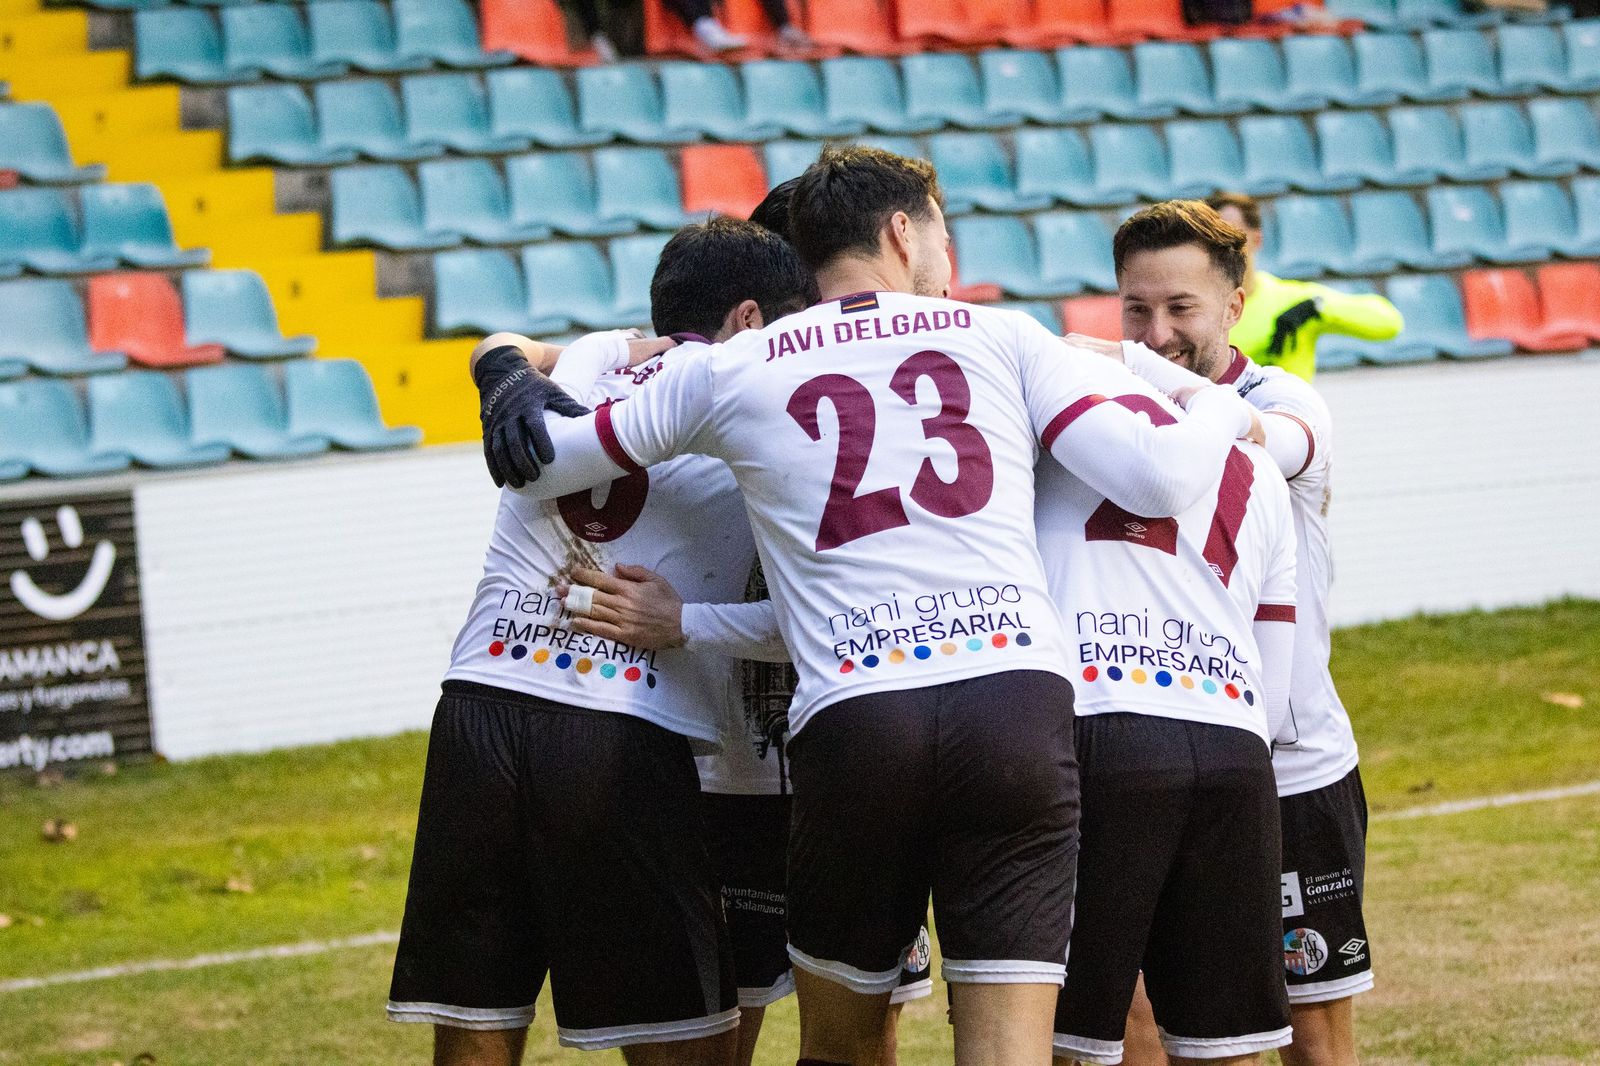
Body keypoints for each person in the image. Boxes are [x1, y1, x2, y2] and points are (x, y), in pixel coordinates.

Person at [472, 145, 1261, 1066]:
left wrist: (507, 367)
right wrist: (1217, 406)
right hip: (1009, 702)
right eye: (942, 225)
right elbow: (1158, 475)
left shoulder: (740, 363)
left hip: (855, 716)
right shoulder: (1002, 337)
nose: (949, 246)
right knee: (1008, 1050)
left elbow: (544, 456)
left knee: (842, 1045)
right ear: (900, 231)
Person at [385, 219, 816, 1065]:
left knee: (477, 1019)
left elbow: (507, 346)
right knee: (681, 1042)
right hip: (618, 722)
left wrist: (499, 363)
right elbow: (814, 618)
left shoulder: (590, 356)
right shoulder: (754, 388)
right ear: (752, 319)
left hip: (480, 702)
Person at [1116, 201, 1375, 1066]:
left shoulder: (1279, 398)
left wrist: (1115, 367)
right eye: (1135, 310)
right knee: (1136, 1016)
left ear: (1234, 306)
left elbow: (1285, 439)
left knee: (1310, 1036)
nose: (1157, 334)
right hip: (1166, 756)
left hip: (1291, 768)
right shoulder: (1112, 411)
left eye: (1180, 309)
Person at [1205, 192, 1402, 383]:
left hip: (1286, 415)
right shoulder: (1195, 309)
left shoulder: (1291, 300)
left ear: (1257, 240)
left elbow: (1389, 323)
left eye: (1230, 236)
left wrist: (1316, 308)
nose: (1221, 246)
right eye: (1211, 239)